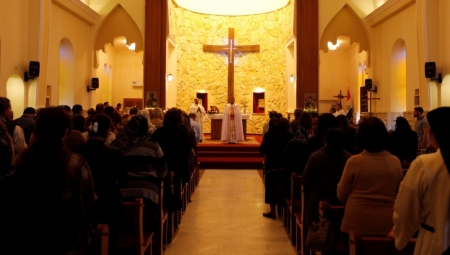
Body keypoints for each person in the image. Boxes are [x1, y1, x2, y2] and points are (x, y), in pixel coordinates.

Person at [0, 107, 97, 254]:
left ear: (36, 130)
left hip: (26, 239)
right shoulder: (75, 163)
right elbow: (90, 201)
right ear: (65, 132)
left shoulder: (20, 161)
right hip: (67, 240)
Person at [390, 107, 450, 255]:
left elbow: (406, 206)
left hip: (435, 242)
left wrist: (399, 234)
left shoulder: (425, 164)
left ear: (434, 135)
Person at [337, 117, 403, 235]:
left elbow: (342, 193)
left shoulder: (354, 161)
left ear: (361, 137)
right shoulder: (395, 161)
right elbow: (400, 193)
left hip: (357, 222)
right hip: (387, 224)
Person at [303, 128, 351, 228]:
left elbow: (305, 180)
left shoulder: (315, 157)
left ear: (325, 140)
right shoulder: (349, 158)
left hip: (317, 203)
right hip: (342, 204)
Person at [260, 117, 293, 218]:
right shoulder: (288, 135)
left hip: (271, 164)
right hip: (284, 165)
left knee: (271, 187)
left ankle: (272, 211)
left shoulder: (269, 134)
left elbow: (262, 149)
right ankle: (282, 209)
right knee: (283, 186)